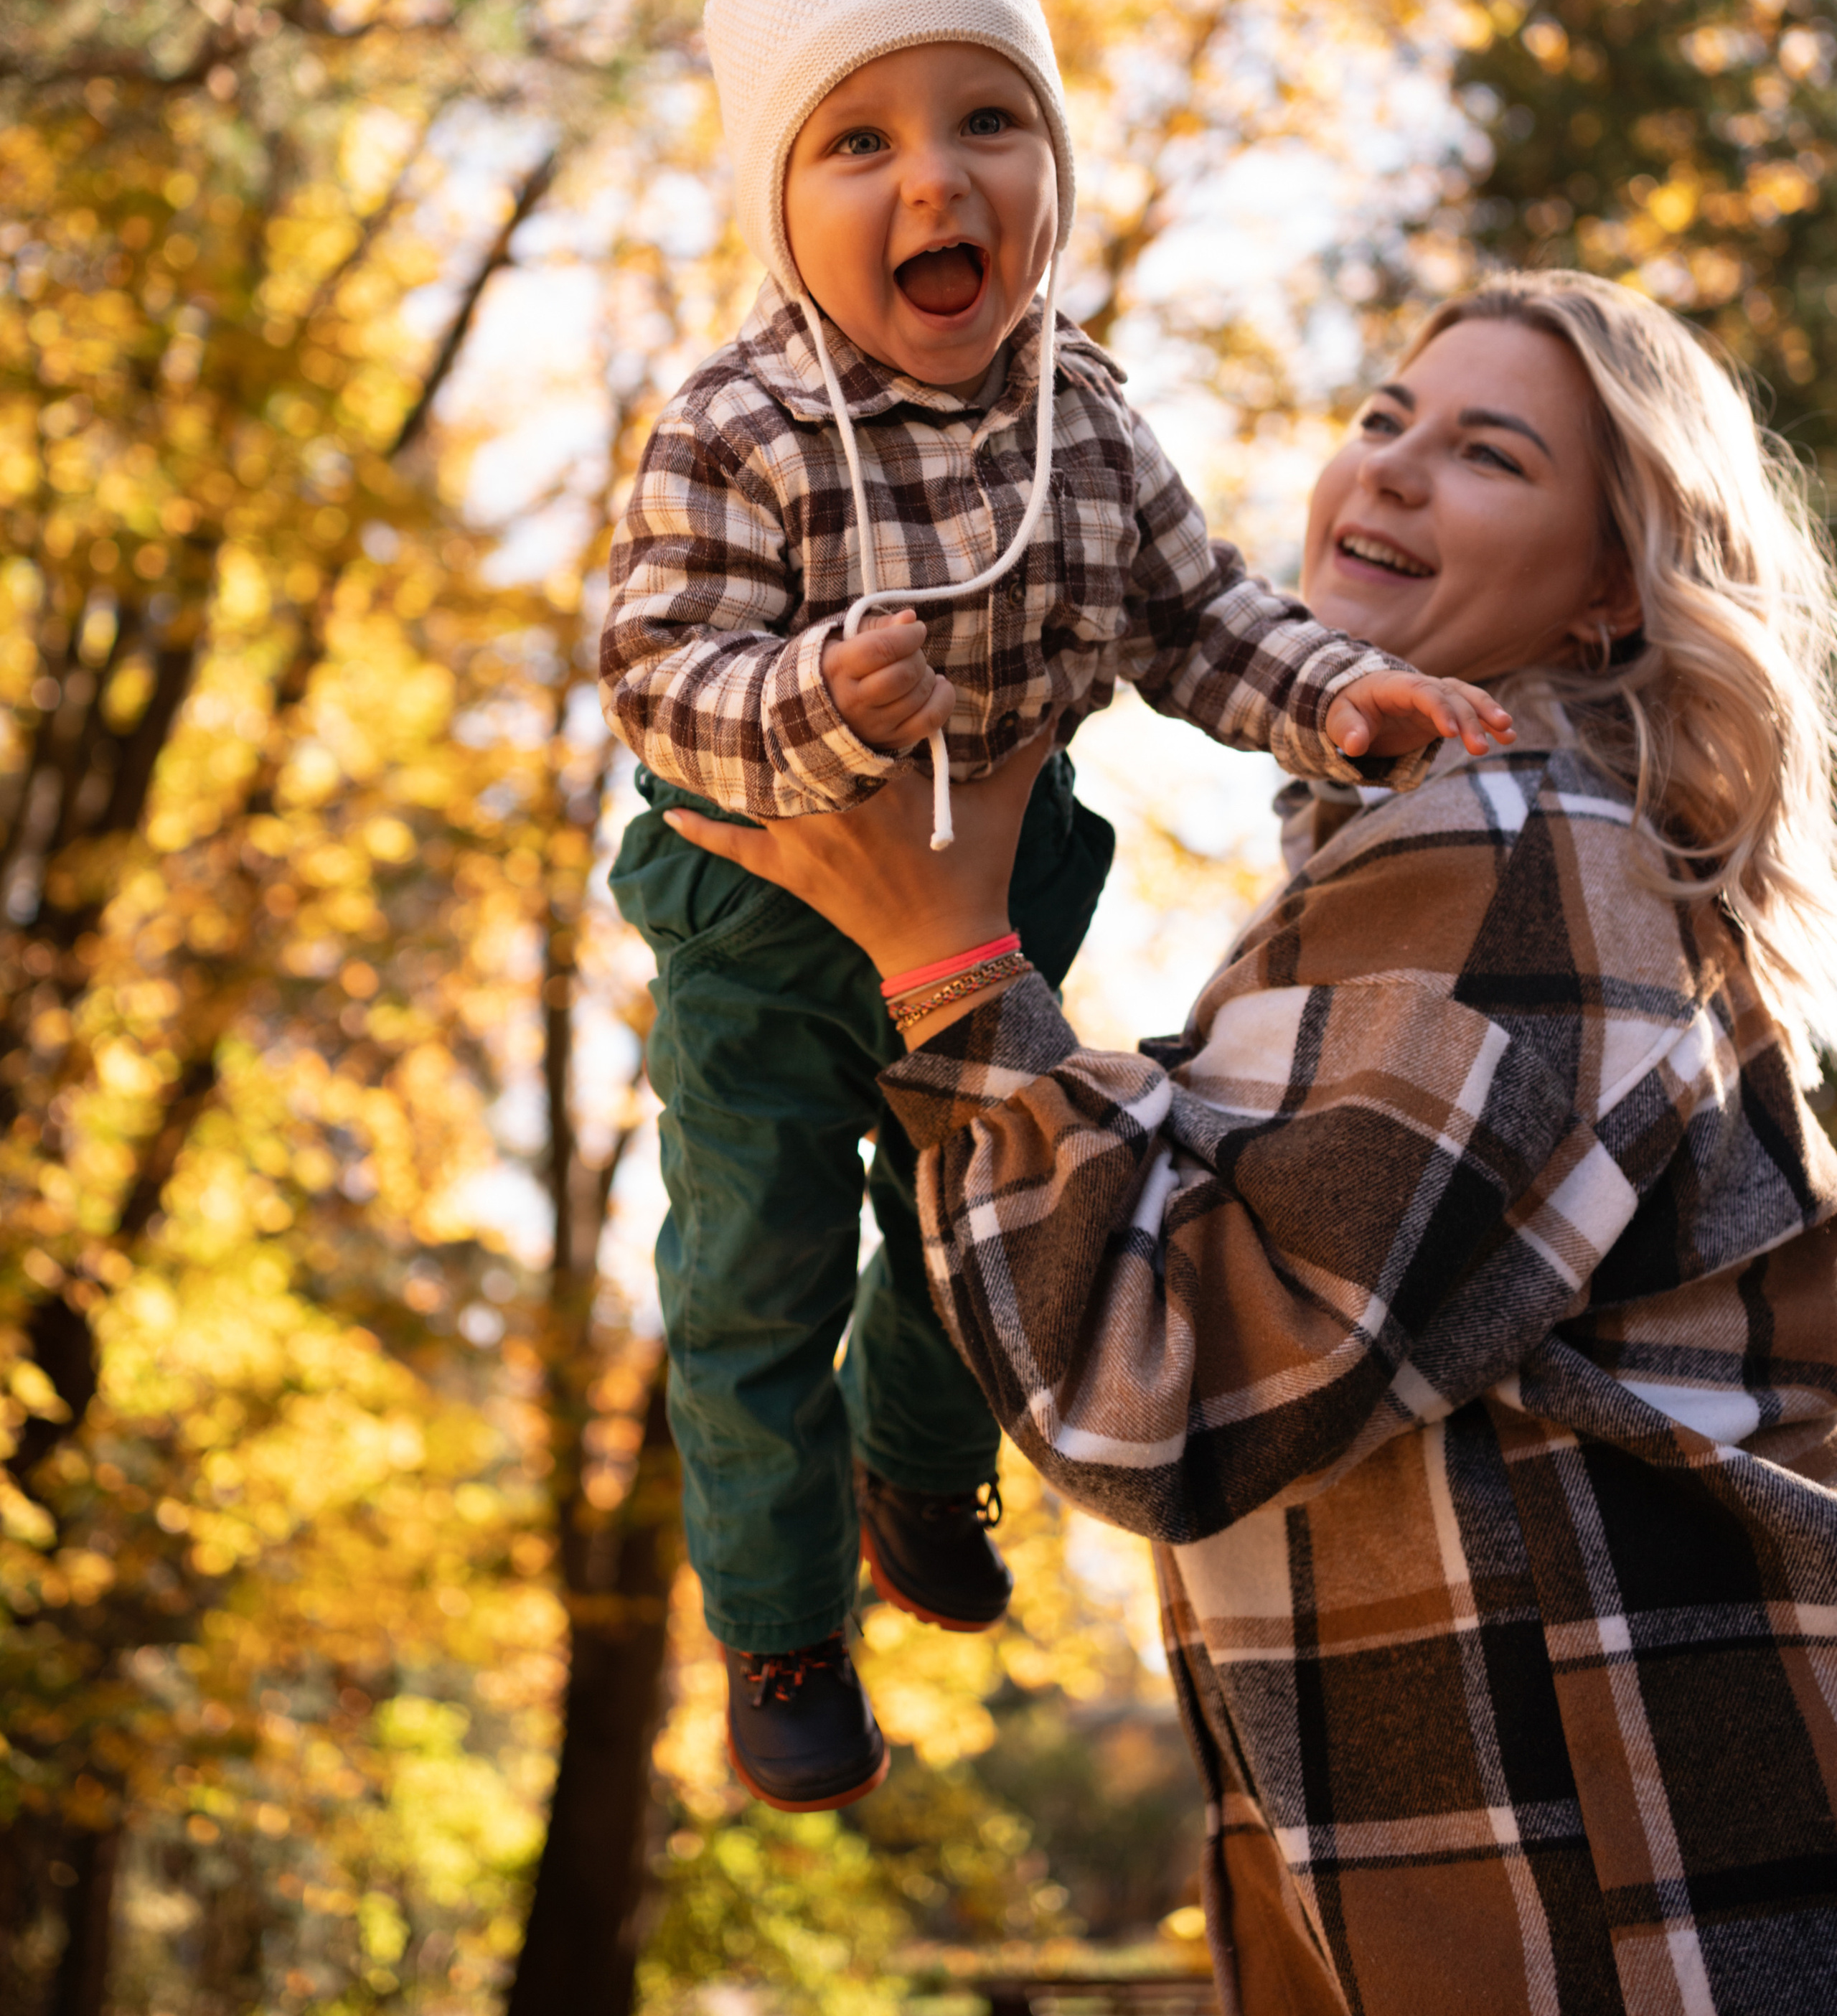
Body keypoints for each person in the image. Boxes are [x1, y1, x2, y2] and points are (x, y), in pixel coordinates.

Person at [666, 271, 1837, 2014]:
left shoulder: (1520, 845)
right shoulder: (1432, 858)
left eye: (1485, 454)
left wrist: (948, 967)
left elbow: (1163, 1391)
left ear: (1607, 596)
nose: (1387, 472)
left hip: (1638, 1918)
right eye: (1383, 420)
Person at [600, 0, 1510, 1812]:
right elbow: (654, 662)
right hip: (766, 910)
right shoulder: (736, 423)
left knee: (969, 1225)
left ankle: (919, 1469)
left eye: (987, 118)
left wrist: (1339, 702)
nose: (936, 177)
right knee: (751, 1281)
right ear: (779, 205)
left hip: (999, 888)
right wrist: (804, 698)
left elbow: (1196, 614)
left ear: (1049, 174)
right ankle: (775, 1630)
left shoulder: (1081, 419)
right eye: (858, 144)